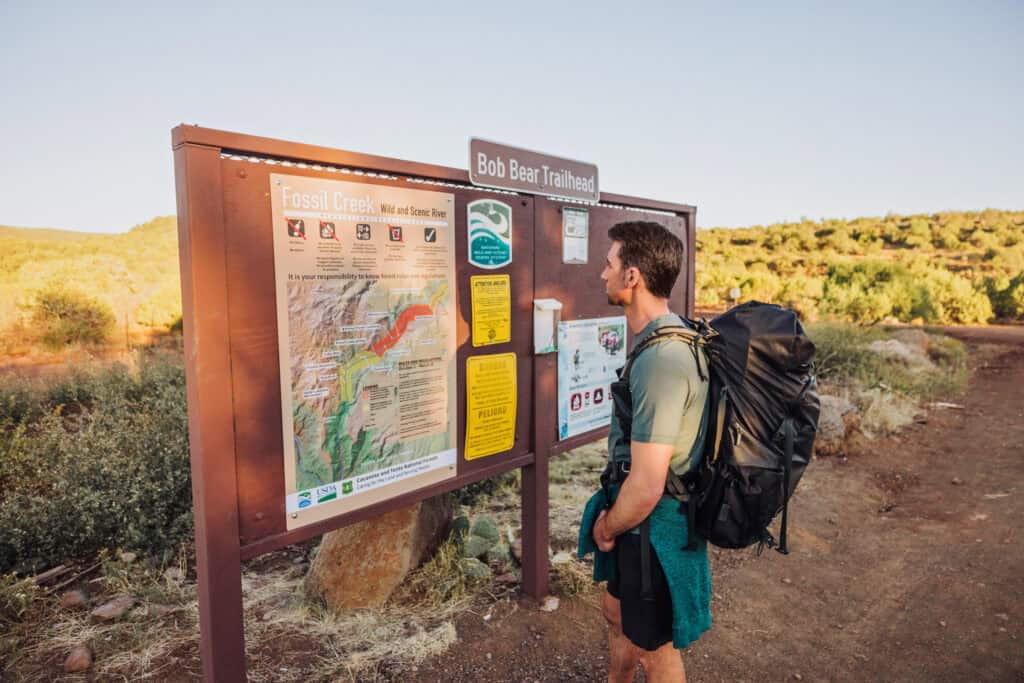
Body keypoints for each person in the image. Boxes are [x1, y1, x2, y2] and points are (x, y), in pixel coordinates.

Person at [578, 221, 711, 683]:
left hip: (654, 528)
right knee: (617, 615)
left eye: (609, 264)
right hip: (646, 524)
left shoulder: (660, 361)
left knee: (657, 650)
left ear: (632, 276)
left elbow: (649, 483)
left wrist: (606, 527)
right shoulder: (673, 340)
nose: (602, 274)